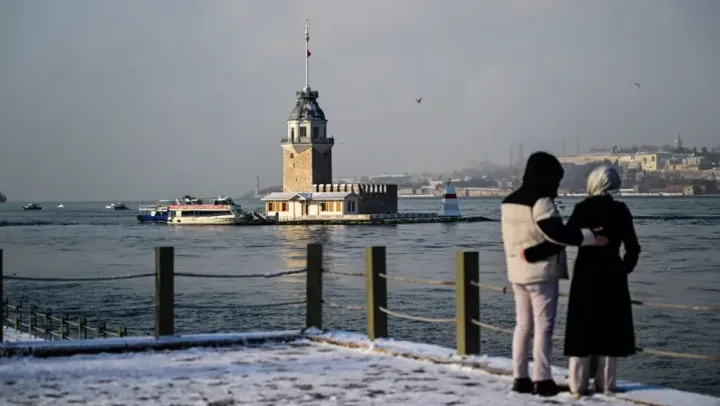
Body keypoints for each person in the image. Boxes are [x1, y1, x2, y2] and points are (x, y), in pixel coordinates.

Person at [501, 151, 609, 397]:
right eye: (556, 179)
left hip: (516, 272)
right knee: (544, 327)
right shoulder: (541, 201)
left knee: (522, 326)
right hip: (541, 273)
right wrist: (591, 237)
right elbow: (557, 234)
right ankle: (542, 379)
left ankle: (520, 377)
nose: (557, 185)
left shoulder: (508, 202)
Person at [563, 165, 641, 397]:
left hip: (585, 274)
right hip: (612, 274)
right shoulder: (621, 210)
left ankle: (577, 385)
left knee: (582, 327)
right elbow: (633, 247)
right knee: (610, 330)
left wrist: (589, 237)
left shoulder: (581, 208)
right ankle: (606, 385)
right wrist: (623, 269)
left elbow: (568, 236)